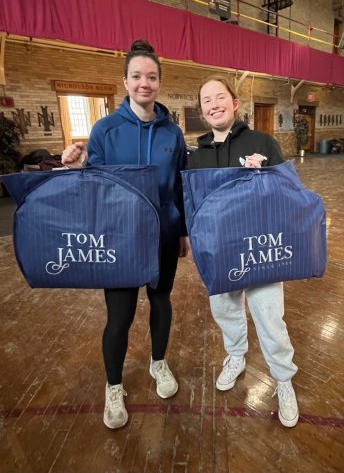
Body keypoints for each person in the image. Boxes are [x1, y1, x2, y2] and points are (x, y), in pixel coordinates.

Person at [61, 39, 189, 429]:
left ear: (159, 82)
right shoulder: (105, 130)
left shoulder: (173, 133)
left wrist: (181, 231)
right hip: (120, 238)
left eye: (151, 76)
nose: (143, 83)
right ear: (126, 81)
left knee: (161, 300)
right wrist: (78, 164)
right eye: (136, 76)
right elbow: (95, 182)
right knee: (119, 317)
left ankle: (158, 363)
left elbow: (181, 186)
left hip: (163, 236)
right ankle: (113, 387)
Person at [188, 75, 299, 428]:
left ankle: (283, 379)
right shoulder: (196, 155)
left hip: (260, 248)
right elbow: (193, 204)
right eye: (207, 100)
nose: (214, 104)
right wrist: (194, 242)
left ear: (235, 103)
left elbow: (288, 191)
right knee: (225, 310)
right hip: (219, 250)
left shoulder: (261, 141)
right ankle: (235, 356)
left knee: (269, 316)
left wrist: (263, 174)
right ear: (202, 110)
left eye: (220, 97)